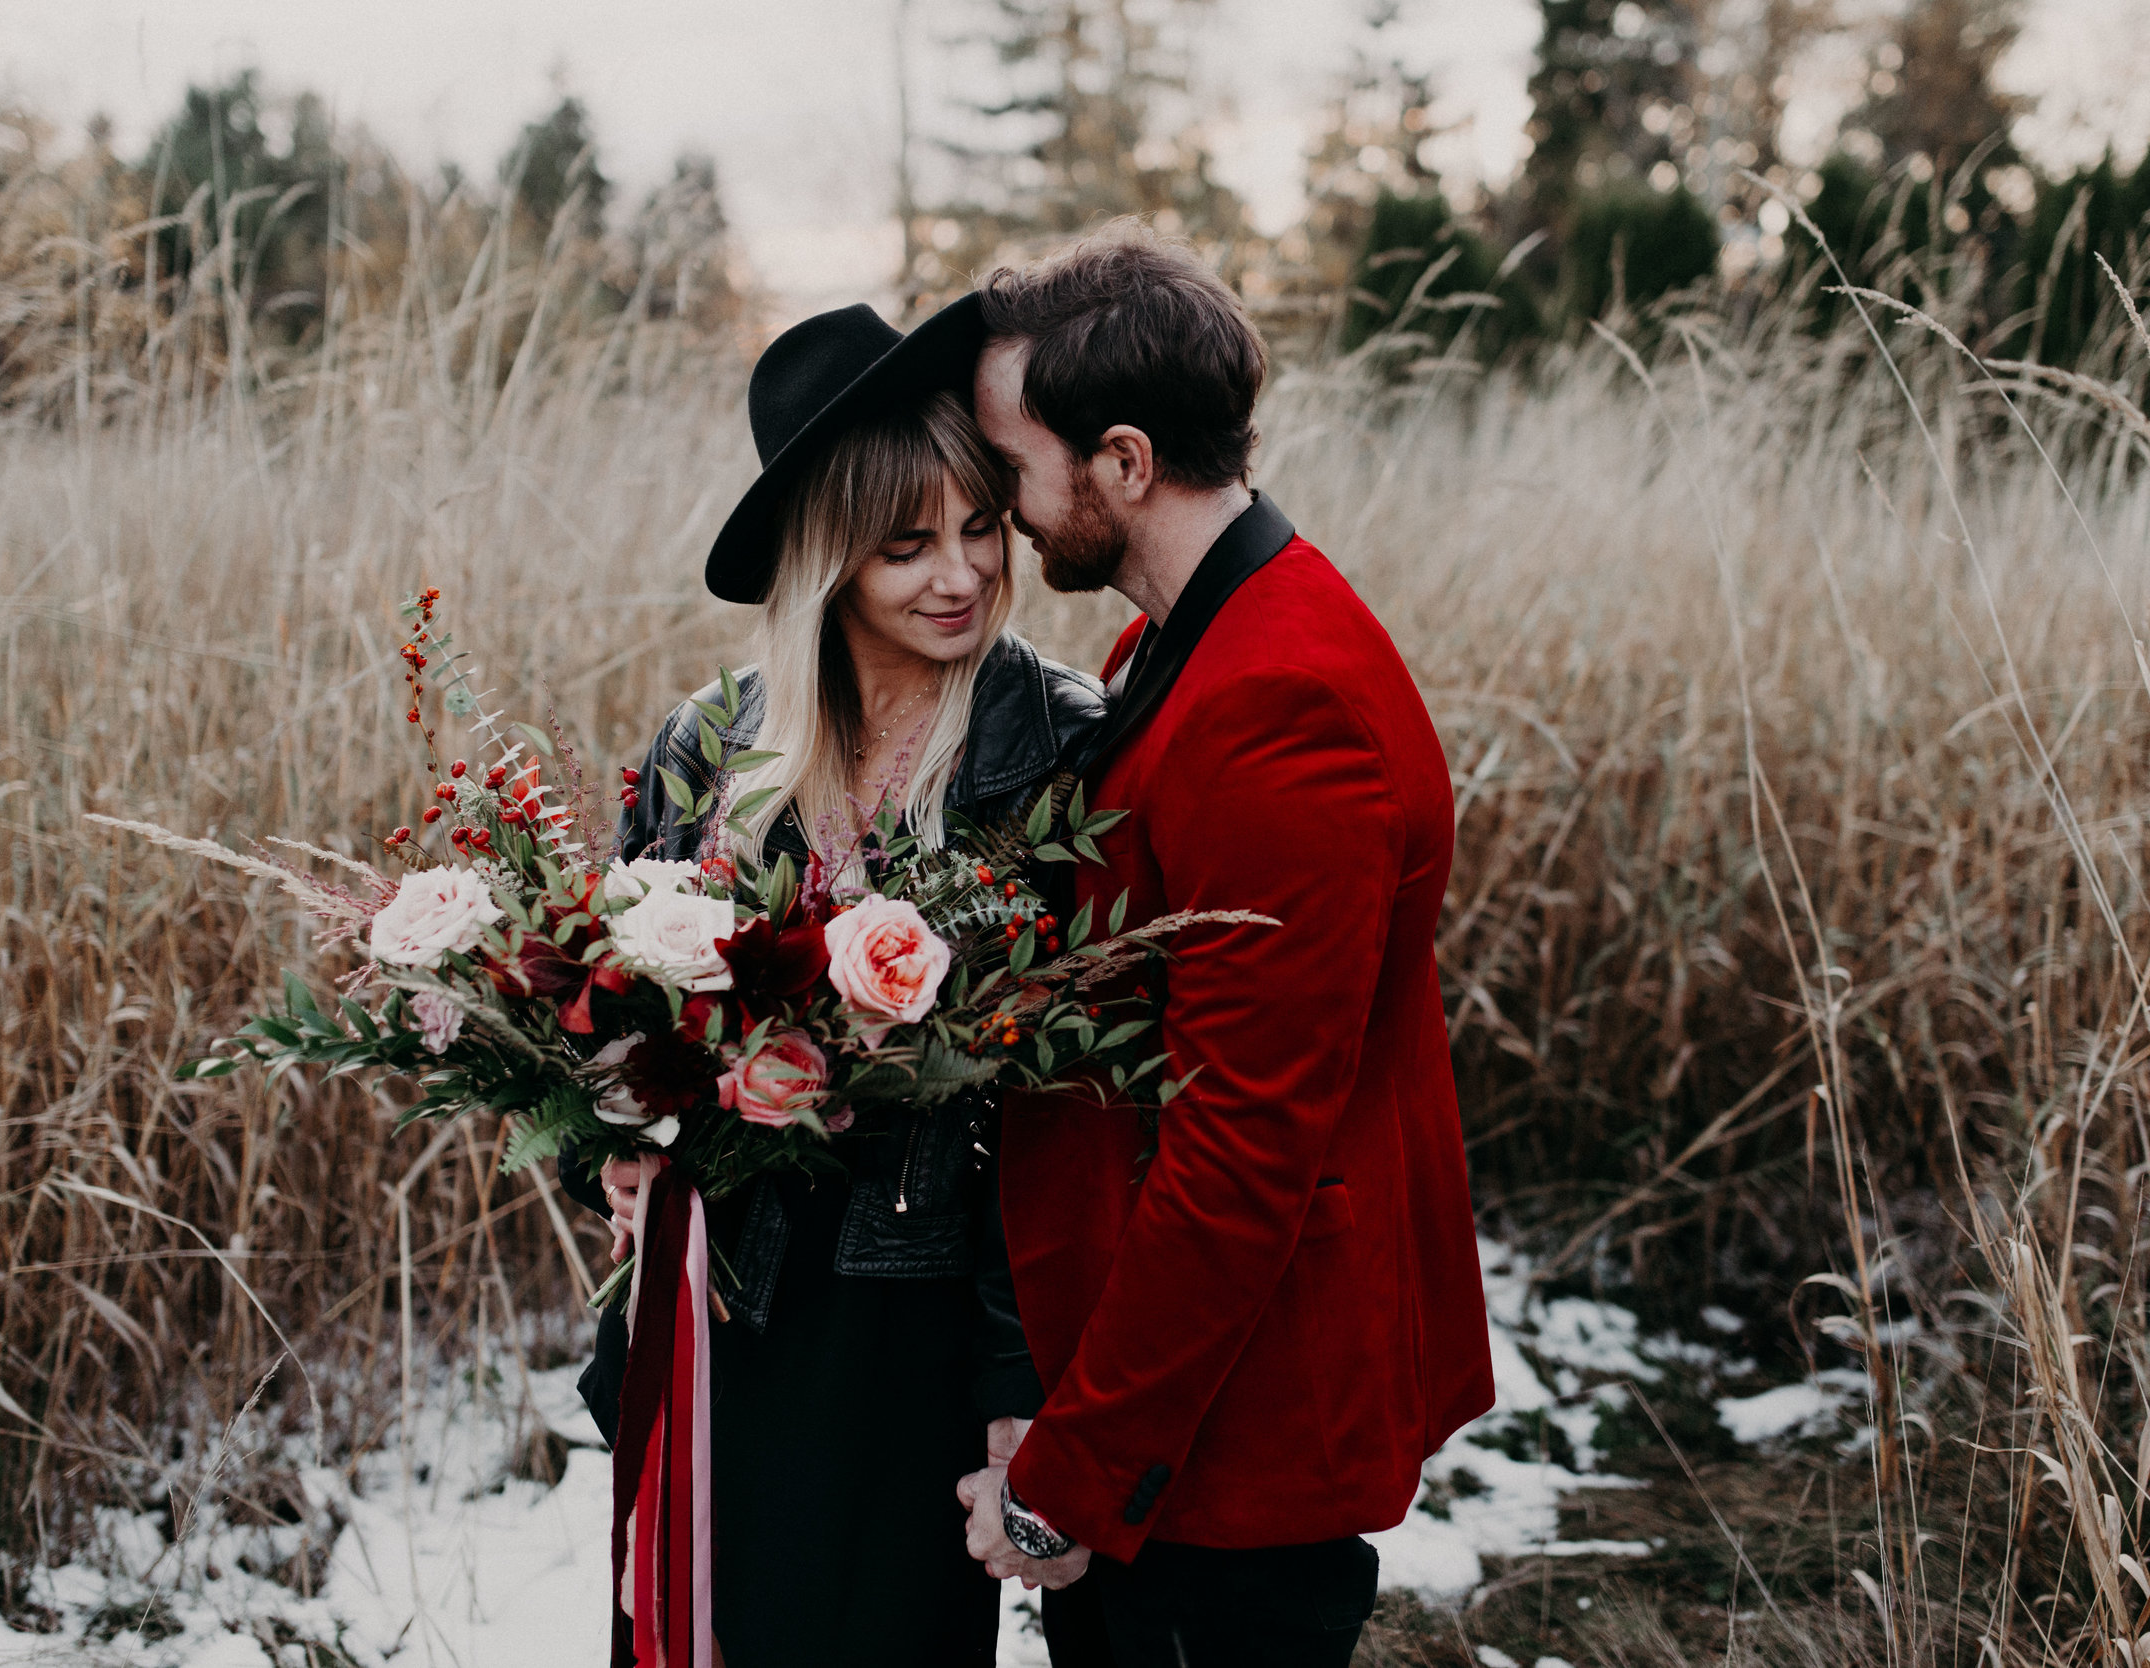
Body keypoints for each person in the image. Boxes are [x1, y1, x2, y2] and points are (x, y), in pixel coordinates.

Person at [954, 227, 1499, 1668]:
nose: (1001, 511)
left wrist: (1075, 1471)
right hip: (1173, 1405)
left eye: (1013, 466)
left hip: (1236, 1434)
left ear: (1121, 462)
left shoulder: (1284, 707)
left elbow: (1245, 1144)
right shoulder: (1179, 643)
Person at [558, 295, 1108, 1667]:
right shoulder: (709, 749)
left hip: (914, 1336)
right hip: (721, 1315)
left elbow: (1066, 1108)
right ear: (825, 562)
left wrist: (1015, 1378)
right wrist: (613, 1156)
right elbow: (606, 1024)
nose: (963, 575)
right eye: (906, 544)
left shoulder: (1051, 748)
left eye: (981, 526)